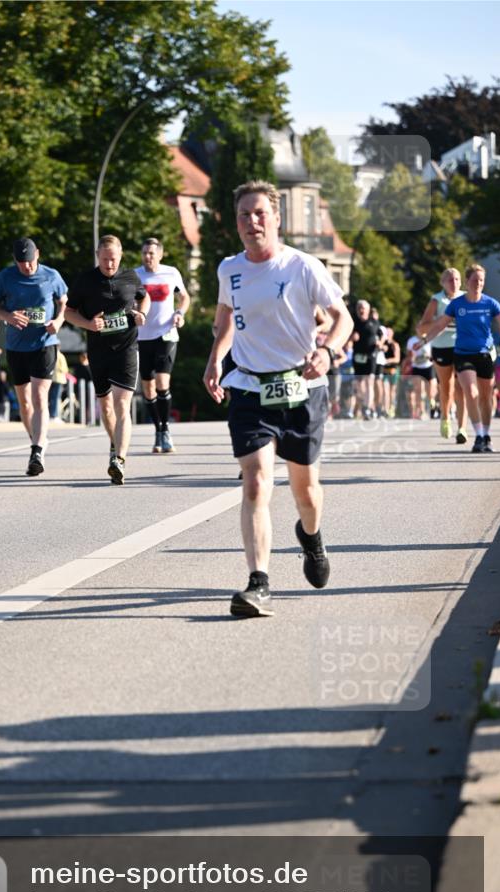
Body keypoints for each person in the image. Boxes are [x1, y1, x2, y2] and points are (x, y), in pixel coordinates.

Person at [203, 180, 353, 617]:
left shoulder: (303, 266)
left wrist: (327, 351)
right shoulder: (228, 270)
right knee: (255, 482)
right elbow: (226, 319)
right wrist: (216, 360)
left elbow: (341, 318)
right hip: (250, 387)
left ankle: (311, 536)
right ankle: (259, 583)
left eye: (260, 214)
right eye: (244, 215)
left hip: (303, 388)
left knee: (305, 492)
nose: (252, 222)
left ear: (276, 218)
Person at [65, 235, 150, 484]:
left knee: (122, 403)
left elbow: (145, 296)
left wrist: (142, 313)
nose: (109, 265)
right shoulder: (86, 281)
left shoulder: (131, 277)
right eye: (104, 260)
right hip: (98, 350)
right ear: (97, 256)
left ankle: (119, 460)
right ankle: (115, 445)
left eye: (113, 260)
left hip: (126, 347)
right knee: (106, 406)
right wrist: (89, 324)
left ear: (120, 255)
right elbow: (68, 312)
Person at [0, 237, 67, 476]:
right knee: (24, 402)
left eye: (31, 261)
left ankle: (36, 451)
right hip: (16, 346)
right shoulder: (5, 277)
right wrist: (8, 316)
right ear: (15, 260)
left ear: (38, 255)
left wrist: (59, 321)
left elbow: (64, 302)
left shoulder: (51, 275)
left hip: (45, 344)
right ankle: (38, 439)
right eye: (22, 263)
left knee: (39, 395)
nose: (28, 267)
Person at [423, 263, 500, 453]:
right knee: (470, 392)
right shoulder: (457, 304)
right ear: (467, 282)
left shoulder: (490, 303)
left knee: (485, 397)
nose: (478, 284)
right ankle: (478, 436)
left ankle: (486, 434)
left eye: (481, 280)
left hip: (484, 353)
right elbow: (440, 324)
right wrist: (425, 340)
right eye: (475, 280)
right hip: (463, 354)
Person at [134, 237, 190, 453]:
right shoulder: (135, 276)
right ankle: (158, 429)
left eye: (151, 253)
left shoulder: (171, 273)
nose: (148, 257)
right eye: (145, 253)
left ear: (160, 254)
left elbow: (184, 297)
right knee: (147, 388)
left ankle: (165, 429)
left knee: (162, 382)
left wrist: (180, 313)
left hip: (166, 335)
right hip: (142, 337)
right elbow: (128, 300)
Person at [416, 268, 467, 442]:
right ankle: (445, 417)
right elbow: (421, 327)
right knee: (447, 386)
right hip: (441, 346)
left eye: (457, 279)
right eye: (450, 280)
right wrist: (442, 321)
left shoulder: (466, 298)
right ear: (443, 282)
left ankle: (462, 428)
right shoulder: (437, 300)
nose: (454, 283)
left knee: (463, 386)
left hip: (463, 346)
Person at [349, 300, 381, 419]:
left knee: (369, 382)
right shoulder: (353, 323)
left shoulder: (374, 322)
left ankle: (367, 409)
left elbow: (382, 334)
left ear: (368, 310)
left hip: (371, 355)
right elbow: (346, 337)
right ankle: (364, 403)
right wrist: (351, 337)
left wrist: (380, 343)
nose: (361, 310)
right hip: (357, 355)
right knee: (358, 384)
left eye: (363, 308)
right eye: (359, 308)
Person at [405, 331, 438, 419]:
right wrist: (412, 358)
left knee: (431, 391)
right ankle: (422, 411)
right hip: (417, 367)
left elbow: (434, 354)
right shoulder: (411, 340)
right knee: (418, 390)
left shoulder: (430, 339)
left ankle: (432, 405)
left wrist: (429, 356)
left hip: (428, 366)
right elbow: (408, 355)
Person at [380, 327, 401, 417]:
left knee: (392, 392)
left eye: (389, 333)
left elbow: (397, 359)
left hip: (393, 370)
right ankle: (385, 409)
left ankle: (392, 408)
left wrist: (386, 360)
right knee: (385, 391)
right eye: (386, 333)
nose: (387, 335)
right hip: (384, 370)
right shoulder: (382, 344)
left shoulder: (394, 345)